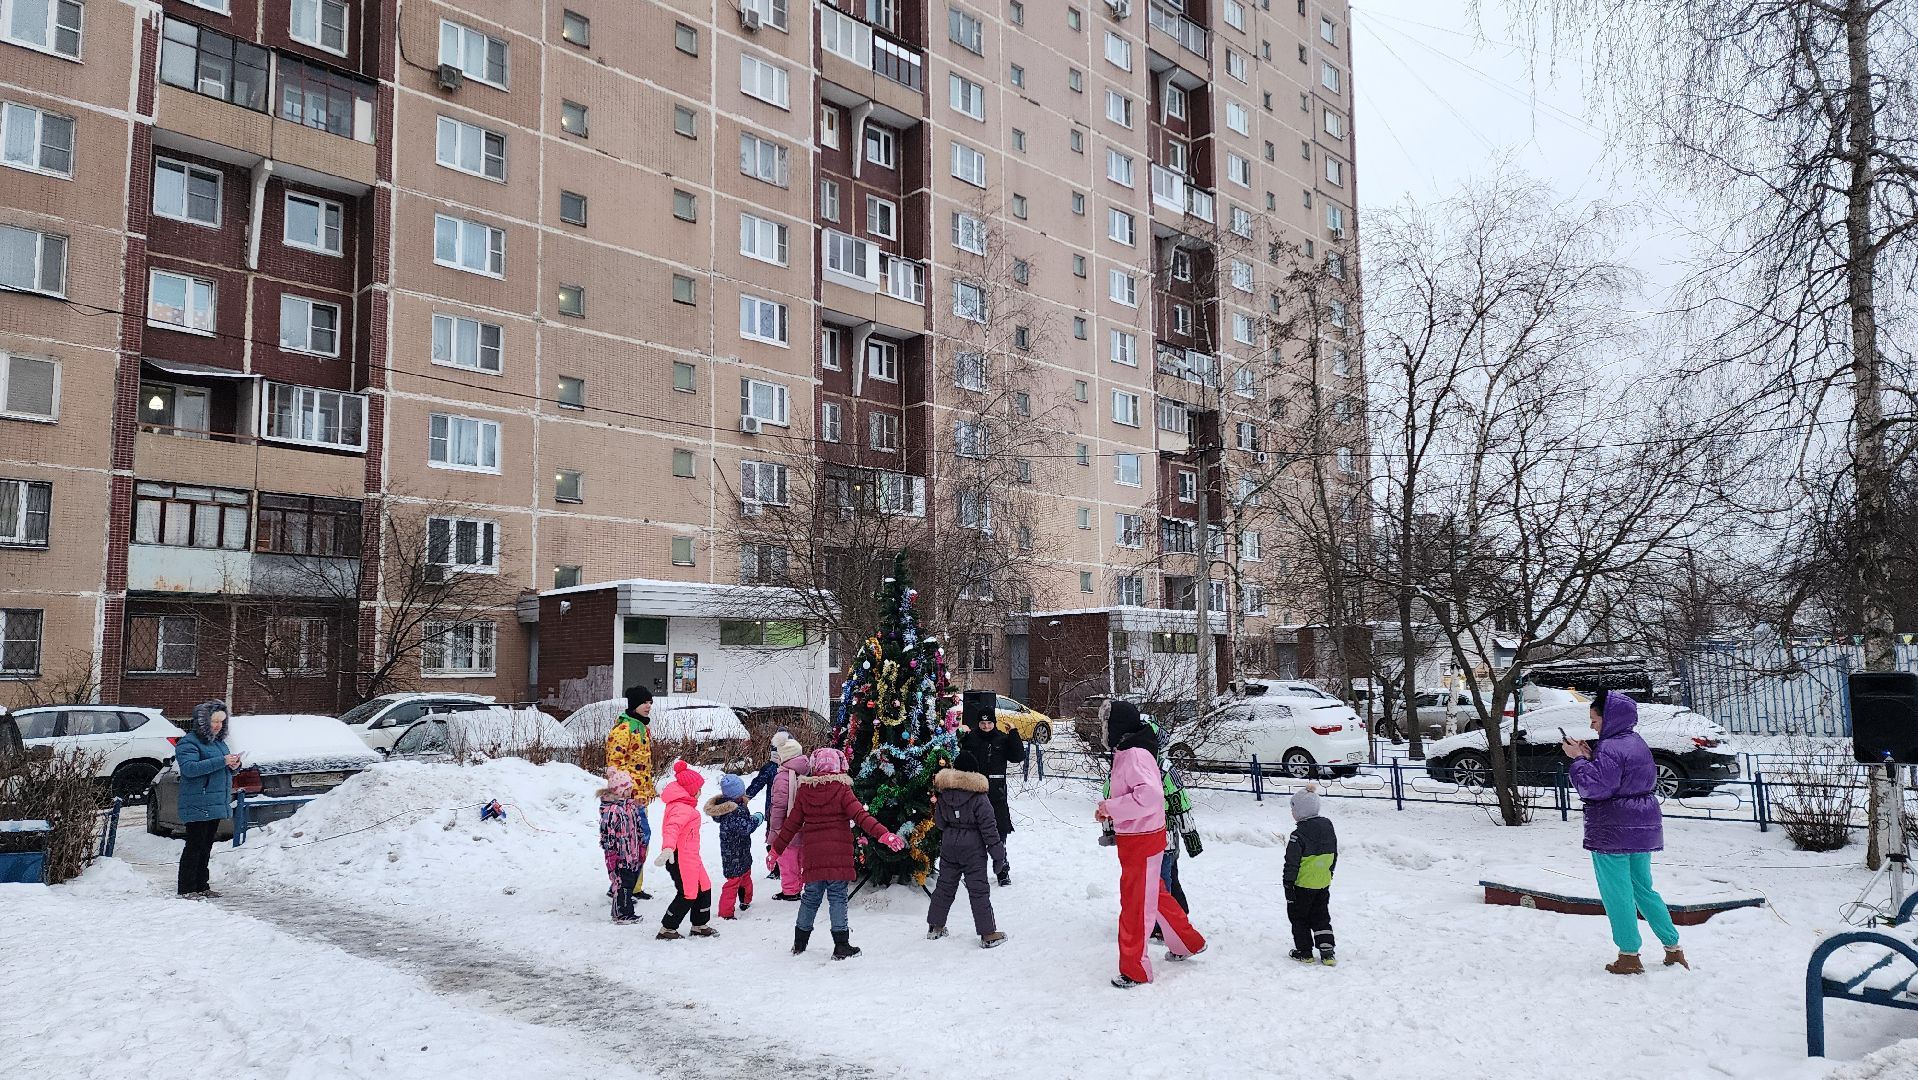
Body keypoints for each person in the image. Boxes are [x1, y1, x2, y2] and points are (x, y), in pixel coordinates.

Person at [1563, 690, 1688, 975]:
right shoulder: (1634, 741)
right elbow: (1622, 776)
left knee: (1616, 893)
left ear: (1608, 719)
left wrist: (1578, 760)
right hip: (1641, 826)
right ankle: (1673, 947)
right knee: (1644, 888)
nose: (1592, 726)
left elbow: (1595, 788)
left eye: (1594, 720)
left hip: (1612, 828)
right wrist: (1591, 754)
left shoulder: (1609, 747)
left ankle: (1629, 955)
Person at [1095, 701, 1205, 988]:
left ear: (1116, 727)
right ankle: (1187, 942)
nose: (1102, 730)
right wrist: (1110, 809)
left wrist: (1111, 806)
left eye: (1106, 724)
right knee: (1152, 895)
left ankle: (1136, 969)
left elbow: (1150, 797)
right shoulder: (1130, 751)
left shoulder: (1134, 754)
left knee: (1135, 905)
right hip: (1141, 838)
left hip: (1141, 839)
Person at [769, 746, 905, 960]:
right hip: (838, 857)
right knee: (837, 899)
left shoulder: (805, 791)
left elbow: (791, 825)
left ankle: (799, 943)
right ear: (839, 766)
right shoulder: (842, 790)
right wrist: (884, 835)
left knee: (810, 898)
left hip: (814, 857)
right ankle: (841, 945)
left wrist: (775, 851)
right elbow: (862, 817)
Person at [926, 749, 1008, 948]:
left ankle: (935, 927)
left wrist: (952, 829)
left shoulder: (944, 794)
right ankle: (988, 934)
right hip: (973, 849)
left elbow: (939, 822)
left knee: (945, 886)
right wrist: (999, 856)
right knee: (978, 890)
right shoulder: (979, 797)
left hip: (949, 845)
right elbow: (989, 829)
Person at [175, 700, 238, 898]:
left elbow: (221, 771)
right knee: (195, 845)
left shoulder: (220, 743)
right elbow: (190, 769)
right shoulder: (189, 742)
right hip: (198, 802)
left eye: (221, 721)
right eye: (214, 721)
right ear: (203, 722)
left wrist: (234, 767)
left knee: (206, 846)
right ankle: (186, 888)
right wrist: (222, 761)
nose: (218, 725)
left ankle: (202, 885)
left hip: (215, 802)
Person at [604, 687, 657, 899]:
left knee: (640, 841)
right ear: (634, 704)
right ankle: (620, 885)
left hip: (641, 796)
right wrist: (624, 793)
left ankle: (633, 886)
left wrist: (648, 789)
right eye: (644, 702)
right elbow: (614, 765)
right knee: (633, 841)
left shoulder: (642, 728)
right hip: (628, 798)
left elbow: (642, 765)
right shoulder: (623, 729)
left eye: (650, 702)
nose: (648, 706)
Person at [655, 760, 718, 939]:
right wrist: (668, 848)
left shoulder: (686, 806)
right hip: (678, 857)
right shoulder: (681, 808)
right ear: (691, 790)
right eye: (698, 789)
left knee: (704, 886)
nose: (700, 792)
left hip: (691, 856)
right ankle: (667, 929)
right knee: (689, 893)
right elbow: (672, 827)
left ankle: (699, 924)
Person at [960, 711, 1024, 885]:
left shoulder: (1002, 739)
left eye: (989, 724)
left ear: (994, 723)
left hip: (997, 794)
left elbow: (1018, 757)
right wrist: (960, 735)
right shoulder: (971, 738)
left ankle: (1002, 870)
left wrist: (1014, 733)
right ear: (978, 724)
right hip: (974, 793)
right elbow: (957, 757)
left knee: (999, 833)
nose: (986, 726)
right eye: (982, 724)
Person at [1284, 789, 1338, 966]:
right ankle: (1327, 950)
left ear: (1300, 811)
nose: (1292, 813)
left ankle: (1305, 951)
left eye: (1293, 809)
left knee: (1299, 917)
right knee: (1321, 915)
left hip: (1302, 885)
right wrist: (1330, 872)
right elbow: (1334, 853)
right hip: (1322, 883)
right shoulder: (1328, 827)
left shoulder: (1297, 835)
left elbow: (1292, 863)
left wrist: (1288, 884)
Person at [709, 773, 763, 919]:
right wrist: (756, 819)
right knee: (733, 883)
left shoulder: (735, 807)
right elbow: (745, 828)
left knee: (746, 876)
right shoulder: (732, 812)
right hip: (733, 855)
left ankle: (746, 900)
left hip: (741, 850)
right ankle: (725, 913)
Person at [598, 768, 647, 923]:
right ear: (620, 790)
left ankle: (622, 907)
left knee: (629, 881)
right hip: (619, 855)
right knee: (622, 883)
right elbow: (607, 834)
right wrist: (611, 854)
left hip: (631, 853)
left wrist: (641, 845)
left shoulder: (630, 806)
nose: (631, 790)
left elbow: (638, 827)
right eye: (628, 788)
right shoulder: (613, 810)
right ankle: (622, 914)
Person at [768, 736, 810, 898]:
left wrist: (777, 830)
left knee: (787, 861)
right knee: (802, 859)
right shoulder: (808, 771)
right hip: (806, 826)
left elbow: (778, 806)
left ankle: (791, 890)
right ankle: (805, 886)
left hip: (788, 828)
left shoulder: (782, 777)